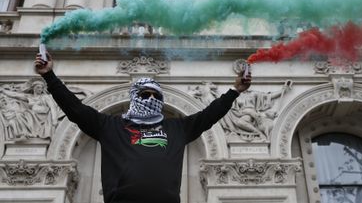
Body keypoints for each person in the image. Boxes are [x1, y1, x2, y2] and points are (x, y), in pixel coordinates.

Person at [34, 52, 251, 203]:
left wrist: (235, 91)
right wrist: (49, 76)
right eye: (144, 94)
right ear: (133, 97)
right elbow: (75, 109)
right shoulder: (110, 126)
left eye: (155, 95)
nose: (150, 98)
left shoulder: (177, 128)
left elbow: (209, 115)